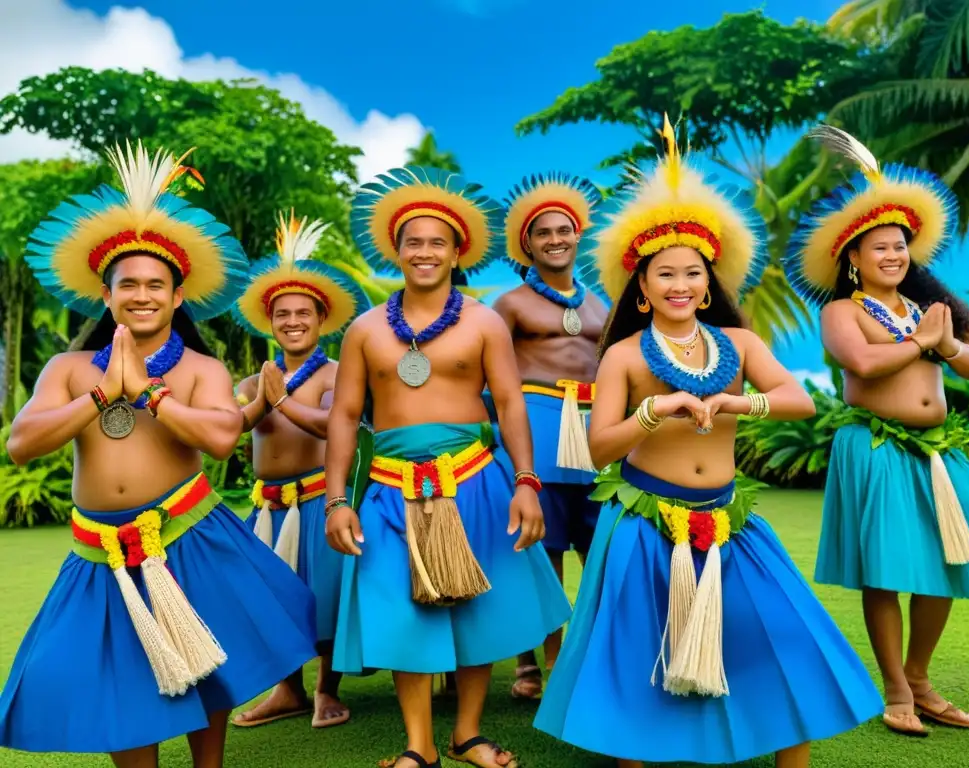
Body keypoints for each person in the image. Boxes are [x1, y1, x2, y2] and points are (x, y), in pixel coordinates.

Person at [534, 117, 884, 768]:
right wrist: (654, 412)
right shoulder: (624, 357)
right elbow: (597, 447)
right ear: (641, 289)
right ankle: (633, 755)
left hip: (728, 521)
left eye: (691, 274)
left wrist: (734, 400)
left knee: (778, 632)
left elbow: (800, 400)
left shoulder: (740, 345)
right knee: (638, 647)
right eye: (664, 275)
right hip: (645, 524)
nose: (680, 285)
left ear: (708, 280)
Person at [0, 143, 318, 766]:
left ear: (177, 296)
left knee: (211, 662)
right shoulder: (68, 370)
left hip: (189, 535)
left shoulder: (200, 368)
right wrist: (101, 395)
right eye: (129, 285)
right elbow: (20, 446)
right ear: (106, 294)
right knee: (118, 681)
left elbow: (222, 438)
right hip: (101, 553)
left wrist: (146, 393)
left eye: (156, 285)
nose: (142, 295)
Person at [325, 166, 571, 768]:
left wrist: (527, 482)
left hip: (475, 480)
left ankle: (466, 734)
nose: (425, 252)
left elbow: (511, 404)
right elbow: (346, 416)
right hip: (389, 488)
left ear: (458, 251)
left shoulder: (485, 323)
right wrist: (337, 499)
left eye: (438, 242)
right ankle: (419, 747)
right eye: (414, 241)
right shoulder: (363, 330)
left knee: (478, 609)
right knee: (403, 609)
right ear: (396, 250)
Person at [783, 125, 969, 737]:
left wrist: (942, 343)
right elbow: (861, 366)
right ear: (853, 259)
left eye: (900, 247)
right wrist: (923, 343)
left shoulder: (923, 309)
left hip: (935, 452)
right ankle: (894, 688)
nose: (893, 256)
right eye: (879, 248)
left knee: (946, 560)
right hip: (877, 446)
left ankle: (920, 678)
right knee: (888, 569)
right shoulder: (841, 311)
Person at [228, 211, 371, 730]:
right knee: (271, 602)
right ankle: (286, 689)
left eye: (303, 313)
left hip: (319, 501)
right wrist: (261, 399)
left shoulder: (337, 374)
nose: (293, 321)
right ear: (270, 322)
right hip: (268, 507)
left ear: (321, 319)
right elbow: (234, 431)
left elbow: (336, 427)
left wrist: (280, 399)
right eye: (283, 314)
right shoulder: (252, 382)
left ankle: (325, 689)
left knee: (325, 601)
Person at [491, 173, 607, 698]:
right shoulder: (510, 305)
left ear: (578, 235)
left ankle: (594, 652)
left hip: (591, 425)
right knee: (539, 546)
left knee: (599, 542)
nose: (556, 239)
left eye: (564, 230)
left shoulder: (600, 305)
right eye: (544, 233)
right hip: (535, 419)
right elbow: (487, 375)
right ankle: (533, 665)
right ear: (527, 243)